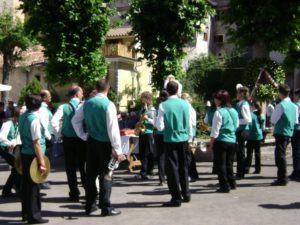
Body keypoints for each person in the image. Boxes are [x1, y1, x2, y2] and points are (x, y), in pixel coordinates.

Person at [72, 79, 124, 216]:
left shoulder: (86, 103)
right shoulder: (109, 105)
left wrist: (83, 135)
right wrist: (118, 149)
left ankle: (89, 205)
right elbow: (113, 129)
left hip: (91, 142)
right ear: (108, 89)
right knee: (106, 175)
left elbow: (75, 120)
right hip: (105, 144)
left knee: (91, 175)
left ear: (96, 88)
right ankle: (105, 207)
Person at [156, 81, 193, 207]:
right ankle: (186, 194)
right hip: (183, 139)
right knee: (184, 167)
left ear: (167, 90)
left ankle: (176, 198)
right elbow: (189, 123)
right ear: (178, 90)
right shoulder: (185, 104)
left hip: (170, 139)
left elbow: (159, 127)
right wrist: (190, 138)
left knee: (172, 169)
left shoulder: (163, 105)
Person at [51, 85, 86, 202]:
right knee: (83, 167)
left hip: (68, 140)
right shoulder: (84, 106)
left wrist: (59, 134)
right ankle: (89, 192)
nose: (83, 95)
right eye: (81, 93)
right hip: (82, 140)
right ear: (76, 94)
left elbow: (54, 122)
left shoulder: (64, 107)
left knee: (70, 168)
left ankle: (74, 193)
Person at [19, 94, 48, 224]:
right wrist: (41, 162)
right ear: (39, 105)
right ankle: (34, 216)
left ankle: (25, 213)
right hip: (32, 155)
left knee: (25, 186)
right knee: (33, 187)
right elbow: (36, 142)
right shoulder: (34, 120)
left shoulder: (23, 116)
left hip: (25, 152)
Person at [208, 90, 239, 193]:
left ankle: (224, 186)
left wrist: (211, 143)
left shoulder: (219, 112)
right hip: (232, 140)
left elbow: (215, 131)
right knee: (229, 164)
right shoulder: (234, 111)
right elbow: (237, 125)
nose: (214, 100)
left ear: (220, 100)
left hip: (221, 140)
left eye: (216, 99)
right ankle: (232, 183)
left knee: (221, 164)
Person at [271, 84, 297, 186]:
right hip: (289, 131)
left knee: (280, 155)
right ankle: (282, 177)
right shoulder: (293, 105)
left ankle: (282, 177)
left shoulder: (281, 105)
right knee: (282, 154)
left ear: (280, 93)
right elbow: (295, 120)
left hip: (280, 131)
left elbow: (273, 120)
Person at [0, 108, 21, 197]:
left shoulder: (17, 124)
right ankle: (8, 189)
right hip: (3, 148)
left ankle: (10, 188)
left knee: (16, 168)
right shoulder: (8, 124)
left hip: (11, 148)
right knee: (17, 167)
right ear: (16, 116)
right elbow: (1, 137)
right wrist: (10, 144)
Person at [136, 91, 156, 179]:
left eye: (143, 98)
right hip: (142, 132)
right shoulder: (143, 109)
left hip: (148, 132)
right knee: (142, 153)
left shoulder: (152, 109)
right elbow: (141, 119)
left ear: (147, 99)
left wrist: (147, 119)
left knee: (148, 152)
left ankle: (147, 171)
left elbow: (154, 123)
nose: (141, 100)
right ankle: (144, 170)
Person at [235, 86, 252, 179]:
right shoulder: (239, 104)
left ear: (241, 94)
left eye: (238, 93)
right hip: (240, 129)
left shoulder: (244, 104)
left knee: (240, 152)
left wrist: (237, 122)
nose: (236, 94)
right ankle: (240, 171)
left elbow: (248, 119)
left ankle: (240, 172)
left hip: (242, 130)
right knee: (239, 151)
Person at [181, 93, 198, 181]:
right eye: (182, 98)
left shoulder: (190, 109)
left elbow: (192, 124)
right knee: (189, 155)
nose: (183, 100)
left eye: (185, 98)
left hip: (189, 135)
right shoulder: (188, 108)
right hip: (188, 134)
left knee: (188, 155)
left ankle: (190, 174)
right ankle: (193, 174)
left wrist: (190, 138)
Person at [244, 102, 265, 174]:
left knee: (249, 153)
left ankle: (247, 168)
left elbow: (249, 125)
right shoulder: (261, 114)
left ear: (253, 106)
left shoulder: (251, 115)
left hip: (251, 135)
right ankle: (258, 168)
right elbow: (262, 126)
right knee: (257, 153)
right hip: (258, 135)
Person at [39, 90, 54, 190]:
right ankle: (40, 180)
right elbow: (44, 125)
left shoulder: (45, 108)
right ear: (44, 98)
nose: (51, 97)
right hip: (46, 137)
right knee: (44, 159)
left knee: (45, 159)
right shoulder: (43, 109)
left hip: (46, 137)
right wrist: (50, 137)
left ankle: (41, 179)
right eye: (49, 96)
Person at [154, 90, 169, 186]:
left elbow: (156, 122)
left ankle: (161, 178)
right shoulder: (168, 106)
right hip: (167, 134)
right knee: (168, 156)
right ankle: (168, 176)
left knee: (160, 157)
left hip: (159, 134)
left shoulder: (158, 107)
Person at [289, 89, 300, 180]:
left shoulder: (296, 105)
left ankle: (296, 171)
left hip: (296, 130)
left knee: (296, 152)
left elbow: (294, 120)